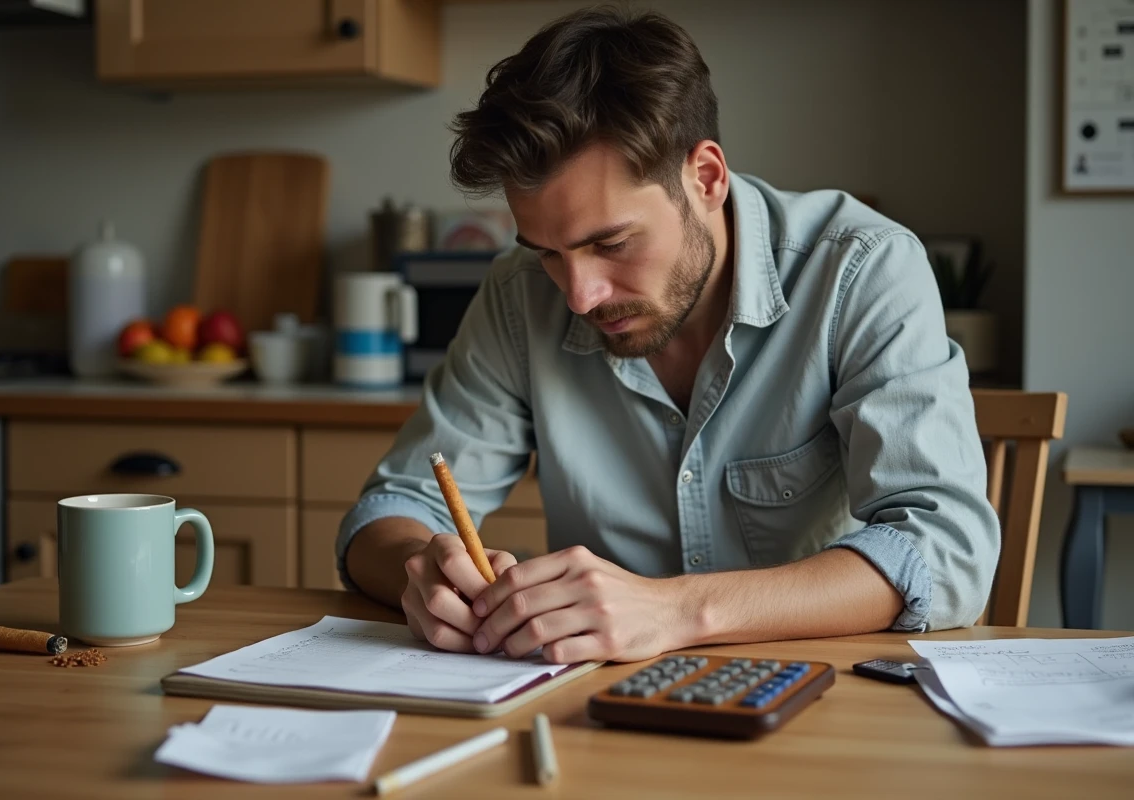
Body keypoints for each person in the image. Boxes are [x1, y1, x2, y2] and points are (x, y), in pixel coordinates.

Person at [336, 6, 1000, 664]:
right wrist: (420, 575)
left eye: (611, 243)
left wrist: (677, 611)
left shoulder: (861, 267)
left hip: (822, 697)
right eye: (547, 251)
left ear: (705, 177)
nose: (579, 294)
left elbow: (946, 550)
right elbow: (388, 514)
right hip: (596, 710)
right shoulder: (520, 295)